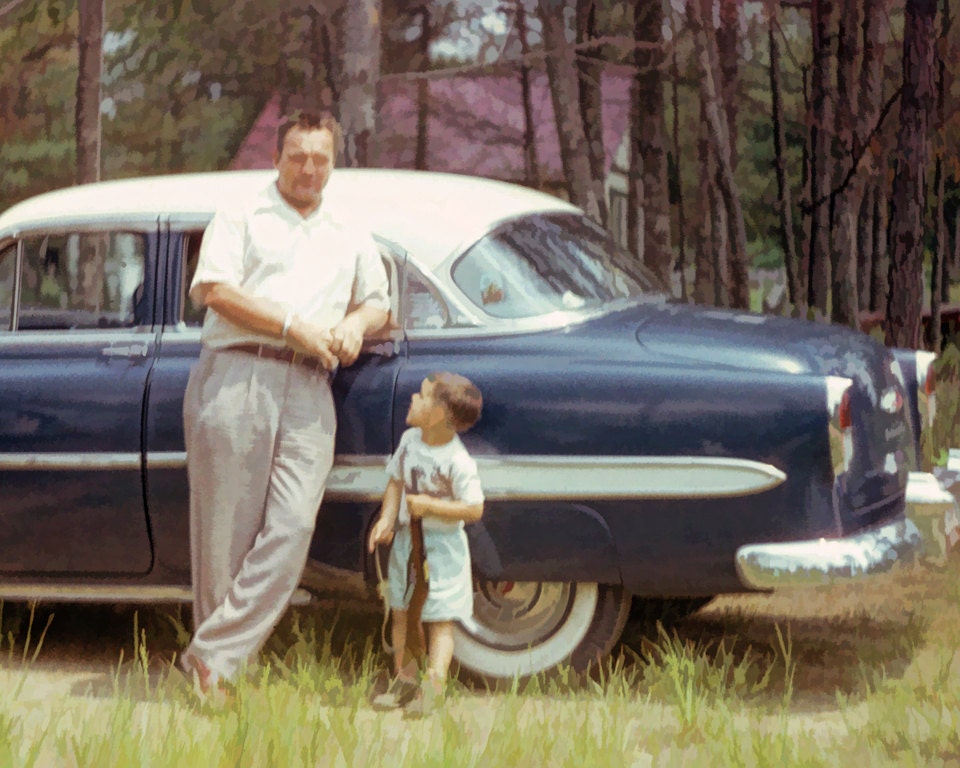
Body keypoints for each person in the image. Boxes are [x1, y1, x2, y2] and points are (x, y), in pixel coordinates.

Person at [180, 111, 390, 701]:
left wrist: (353, 322)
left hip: (310, 384)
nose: (309, 168)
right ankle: (214, 677)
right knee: (226, 534)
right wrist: (292, 325)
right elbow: (215, 290)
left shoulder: (349, 227)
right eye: (298, 155)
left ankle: (209, 653)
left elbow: (379, 303)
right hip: (238, 373)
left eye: (320, 158)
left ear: (333, 161)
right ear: (277, 157)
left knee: (294, 525)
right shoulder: (242, 214)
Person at [366, 372, 484, 717]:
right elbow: (395, 481)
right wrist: (387, 519)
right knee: (401, 611)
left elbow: (474, 508)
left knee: (439, 618)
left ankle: (434, 685)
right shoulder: (409, 441)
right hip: (406, 543)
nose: (412, 400)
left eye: (421, 396)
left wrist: (431, 507)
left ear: (437, 414)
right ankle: (404, 679)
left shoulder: (458, 461)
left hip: (442, 549)